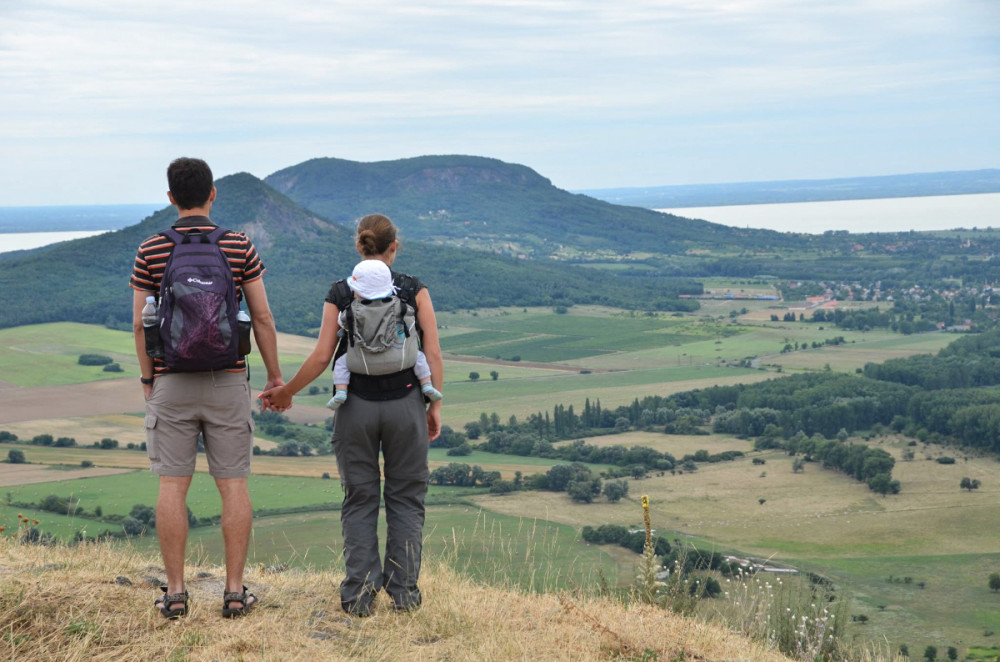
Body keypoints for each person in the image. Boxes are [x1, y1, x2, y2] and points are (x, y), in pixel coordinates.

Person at [260, 213, 442, 617]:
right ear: (394, 247)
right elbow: (432, 352)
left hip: (354, 408)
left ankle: (359, 596)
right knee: (406, 499)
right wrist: (435, 405)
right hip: (407, 404)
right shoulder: (414, 290)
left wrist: (285, 392)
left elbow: (324, 356)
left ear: (359, 247)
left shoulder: (341, 293)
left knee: (360, 500)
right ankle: (404, 595)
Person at [130, 157, 284, 619]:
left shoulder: (151, 249)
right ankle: (234, 594)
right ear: (212, 194)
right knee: (233, 486)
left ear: (171, 197)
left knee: (172, 487)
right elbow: (261, 318)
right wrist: (276, 378)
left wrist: (147, 379)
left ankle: (175, 594)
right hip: (228, 379)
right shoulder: (238, 246)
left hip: (171, 381)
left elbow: (141, 325)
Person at [327, 258, 442, 410]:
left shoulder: (351, 311)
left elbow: (342, 325)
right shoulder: (400, 305)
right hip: (401, 361)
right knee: (419, 356)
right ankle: (426, 384)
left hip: (362, 366)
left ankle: (341, 391)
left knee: (341, 363)